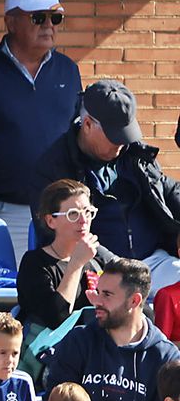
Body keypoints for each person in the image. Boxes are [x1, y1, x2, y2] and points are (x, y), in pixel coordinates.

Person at [30, 79, 180, 297]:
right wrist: (110, 263)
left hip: (153, 261)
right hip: (95, 267)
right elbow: (53, 231)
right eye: (115, 136)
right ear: (88, 124)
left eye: (126, 134)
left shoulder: (135, 155)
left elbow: (167, 189)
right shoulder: (53, 168)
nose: (121, 144)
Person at [0, 0, 84, 261]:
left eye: (55, 18)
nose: (48, 25)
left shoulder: (68, 71)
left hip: (59, 213)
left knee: (61, 293)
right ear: (11, 22)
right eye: (38, 17)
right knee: (6, 295)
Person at [45, 259, 180, 401]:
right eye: (98, 292)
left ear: (134, 300)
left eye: (107, 295)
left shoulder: (165, 356)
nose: (97, 301)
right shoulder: (79, 341)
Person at [18, 180, 116, 378]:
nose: (83, 221)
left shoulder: (99, 257)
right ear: (51, 221)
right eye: (73, 214)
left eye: (88, 212)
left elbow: (134, 286)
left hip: (102, 352)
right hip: (55, 356)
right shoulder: (35, 263)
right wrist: (76, 264)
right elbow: (56, 318)